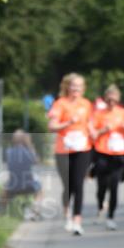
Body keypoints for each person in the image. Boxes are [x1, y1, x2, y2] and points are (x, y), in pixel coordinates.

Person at [47, 73, 93, 235]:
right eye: (73, 86)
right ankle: (67, 213)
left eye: (79, 86)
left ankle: (77, 220)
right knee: (68, 186)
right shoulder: (60, 104)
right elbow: (51, 126)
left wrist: (93, 132)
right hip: (64, 150)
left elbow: (89, 123)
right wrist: (68, 123)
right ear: (67, 87)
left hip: (82, 148)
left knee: (79, 184)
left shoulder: (86, 104)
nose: (76, 89)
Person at [91, 85, 124, 230]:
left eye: (114, 100)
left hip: (118, 154)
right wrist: (103, 130)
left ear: (118, 100)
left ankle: (111, 216)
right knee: (102, 186)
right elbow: (93, 134)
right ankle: (101, 205)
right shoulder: (98, 114)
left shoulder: (122, 113)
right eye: (109, 100)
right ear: (105, 99)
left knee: (114, 186)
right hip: (102, 152)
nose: (111, 102)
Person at [0, 130, 43, 218]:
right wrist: (30, 145)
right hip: (29, 185)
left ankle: (2, 212)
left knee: (4, 190)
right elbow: (37, 161)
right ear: (24, 140)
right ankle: (35, 212)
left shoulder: (8, 152)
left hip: (13, 186)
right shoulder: (29, 152)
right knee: (39, 191)